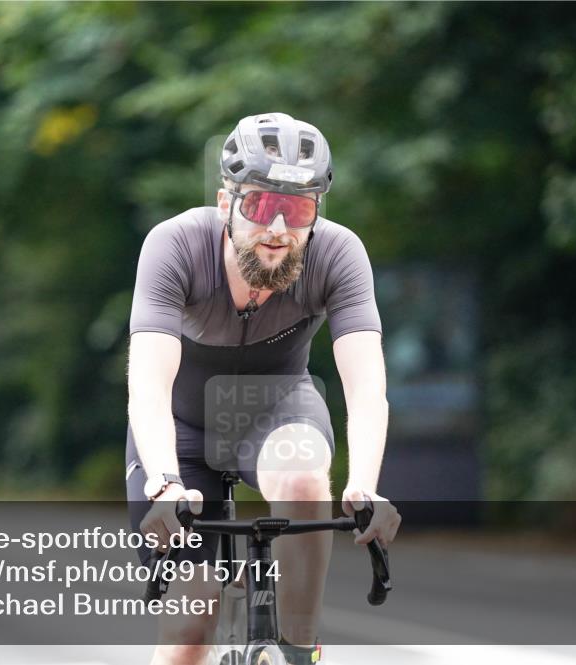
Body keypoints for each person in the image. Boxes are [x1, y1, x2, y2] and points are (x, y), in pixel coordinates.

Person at [126, 113, 401, 665]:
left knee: (303, 479)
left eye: (296, 209)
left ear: (315, 215)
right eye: (260, 205)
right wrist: (163, 484)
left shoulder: (337, 254)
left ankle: (300, 649)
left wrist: (365, 486)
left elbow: (367, 386)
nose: (277, 227)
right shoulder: (175, 245)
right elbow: (150, 383)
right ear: (227, 205)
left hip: (277, 411)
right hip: (180, 429)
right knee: (191, 617)